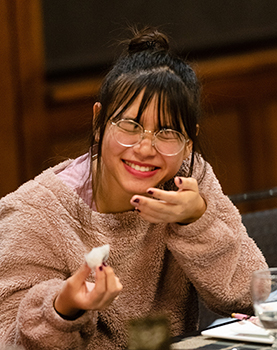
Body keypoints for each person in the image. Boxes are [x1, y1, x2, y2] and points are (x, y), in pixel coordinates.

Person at [0, 27, 267, 350]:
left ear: (188, 143)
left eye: (167, 132)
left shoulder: (188, 180)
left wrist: (197, 221)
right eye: (130, 125)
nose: (145, 147)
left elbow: (252, 297)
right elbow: (8, 340)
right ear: (99, 122)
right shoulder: (35, 212)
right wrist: (62, 308)